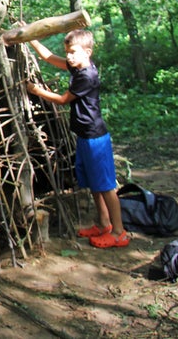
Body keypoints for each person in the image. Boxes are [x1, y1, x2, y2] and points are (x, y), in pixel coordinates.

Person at [24, 30, 129, 249]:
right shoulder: (78, 67)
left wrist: (36, 90)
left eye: (73, 52)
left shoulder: (86, 75)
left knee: (106, 185)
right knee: (93, 182)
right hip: (84, 136)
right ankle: (103, 223)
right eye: (67, 52)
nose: (69, 57)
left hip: (95, 138)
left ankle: (119, 232)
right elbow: (49, 58)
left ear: (87, 52)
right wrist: (31, 38)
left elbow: (63, 100)